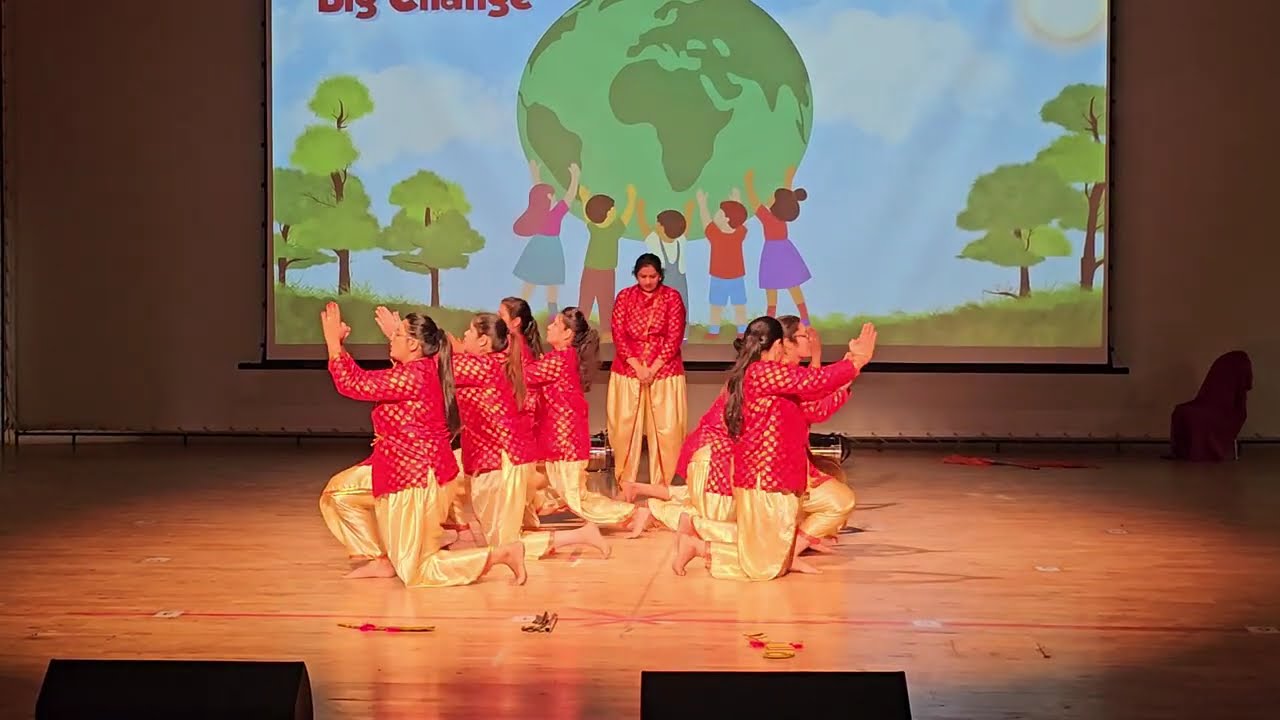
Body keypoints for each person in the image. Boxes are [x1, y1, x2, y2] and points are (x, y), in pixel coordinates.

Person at [318, 303, 528, 586]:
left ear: (415, 345)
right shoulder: (420, 369)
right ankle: (381, 558)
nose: (391, 339)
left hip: (415, 477)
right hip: (397, 468)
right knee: (338, 494)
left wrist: (333, 344)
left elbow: (355, 384)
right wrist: (354, 344)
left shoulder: (416, 375)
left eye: (398, 336)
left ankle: (500, 554)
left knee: (418, 572)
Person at [671, 317, 877, 581]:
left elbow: (816, 401)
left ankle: (700, 538)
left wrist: (853, 366)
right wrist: (855, 361)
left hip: (781, 476)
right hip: (764, 477)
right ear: (779, 344)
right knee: (765, 567)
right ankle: (700, 540)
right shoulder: (761, 372)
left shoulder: (773, 375)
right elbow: (816, 382)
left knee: (772, 555)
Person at [451, 312, 608, 557]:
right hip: (504, 457)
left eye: (470, 332)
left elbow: (436, 371)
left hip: (505, 461)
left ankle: (620, 518)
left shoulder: (482, 365)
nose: (464, 336)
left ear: (483, 341)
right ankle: (464, 532)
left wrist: (448, 348)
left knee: (507, 544)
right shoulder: (499, 360)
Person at [525, 307, 649, 537]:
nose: (549, 327)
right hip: (556, 438)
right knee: (539, 487)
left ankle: (631, 513)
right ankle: (525, 520)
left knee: (577, 499)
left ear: (567, 334)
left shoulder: (560, 359)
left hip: (564, 442)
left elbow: (526, 375)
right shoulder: (560, 358)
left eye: (555, 325)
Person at [778, 316, 858, 559]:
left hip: (788, 461)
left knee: (832, 472)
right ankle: (792, 550)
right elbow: (816, 407)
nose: (809, 339)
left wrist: (842, 367)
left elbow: (813, 392)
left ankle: (804, 539)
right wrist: (853, 365)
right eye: (803, 335)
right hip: (772, 471)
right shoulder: (777, 374)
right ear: (786, 343)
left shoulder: (788, 372)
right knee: (840, 498)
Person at [607, 253, 688, 488]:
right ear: (636, 275)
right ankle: (626, 483)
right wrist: (636, 365)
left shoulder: (672, 297)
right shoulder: (625, 296)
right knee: (624, 430)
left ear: (660, 275)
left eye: (653, 276)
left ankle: (662, 486)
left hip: (664, 371)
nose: (648, 281)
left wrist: (653, 368)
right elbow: (618, 333)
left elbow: (674, 337)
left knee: (667, 431)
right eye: (643, 276)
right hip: (628, 369)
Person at [621, 390, 735, 540]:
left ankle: (643, 493)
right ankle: (658, 512)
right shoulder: (757, 381)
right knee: (720, 519)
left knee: (697, 499)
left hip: (711, 452)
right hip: (716, 456)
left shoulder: (745, 379)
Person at [744, 167, 812, 324]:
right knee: (793, 286)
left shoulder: (768, 217)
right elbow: (787, 195)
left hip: (773, 254)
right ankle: (805, 318)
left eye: (773, 198)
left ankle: (770, 319)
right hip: (785, 251)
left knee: (772, 289)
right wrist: (788, 177)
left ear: (777, 204)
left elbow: (755, 203)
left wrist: (748, 184)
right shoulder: (781, 217)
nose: (769, 198)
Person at [513, 161, 581, 315]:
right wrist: (575, 178)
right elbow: (567, 196)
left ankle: (549, 316)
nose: (555, 198)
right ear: (547, 199)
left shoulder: (549, 213)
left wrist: (535, 174)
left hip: (544, 248)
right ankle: (518, 313)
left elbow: (541, 192)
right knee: (537, 285)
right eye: (552, 196)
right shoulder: (551, 213)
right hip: (546, 249)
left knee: (542, 285)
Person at [577, 183, 637, 327]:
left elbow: (587, 216)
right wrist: (632, 199)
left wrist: (585, 198)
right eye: (613, 210)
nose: (615, 212)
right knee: (590, 302)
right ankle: (582, 329)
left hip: (600, 271)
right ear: (608, 214)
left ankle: (606, 331)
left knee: (604, 303)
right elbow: (626, 216)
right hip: (596, 271)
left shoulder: (597, 228)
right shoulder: (613, 230)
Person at [695, 188, 750, 338]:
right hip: (720, 277)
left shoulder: (720, 234)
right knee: (717, 306)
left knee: (737, 305)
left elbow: (707, 220)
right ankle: (714, 330)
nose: (715, 216)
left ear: (726, 219)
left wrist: (702, 204)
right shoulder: (734, 234)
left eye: (719, 213)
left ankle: (742, 330)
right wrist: (702, 204)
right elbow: (738, 218)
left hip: (732, 277)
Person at [636, 198, 694, 326]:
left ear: (662, 228)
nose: (655, 225)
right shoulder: (681, 241)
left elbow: (643, 227)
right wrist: (689, 211)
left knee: (671, 311)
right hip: (676, 285)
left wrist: (639, 210)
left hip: (668, 286)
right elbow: (686, 228)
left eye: (657, 223)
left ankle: (678, 334)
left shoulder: (654, 242)